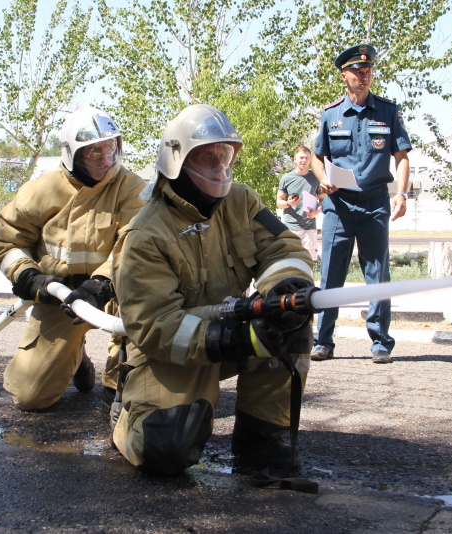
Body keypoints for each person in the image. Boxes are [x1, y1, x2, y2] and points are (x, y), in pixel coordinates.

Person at [110, 104, 315, 478]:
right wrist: (231, 340)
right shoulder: (145, 233)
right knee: (167, 450)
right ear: (177, 161)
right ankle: (127, 419)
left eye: (226, 157)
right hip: (170, 350)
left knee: (290, 323)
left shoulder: (242, 201)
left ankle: (263, 445)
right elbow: (154, 324)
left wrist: (287, 285)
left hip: (231, 331)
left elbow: (282, 247)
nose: (221, 170)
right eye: (208, 159)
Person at [0, 104, 146, 411]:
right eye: (94, 153)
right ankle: (75, 358)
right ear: (72, 154)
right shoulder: (42, 190)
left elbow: (134, 246)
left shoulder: (132, 189)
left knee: (122, 394)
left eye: (111, 149)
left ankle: (116, 379)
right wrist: (27, 276)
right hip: (60, 297)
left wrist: (101, 283)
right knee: (30, 397)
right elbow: (6, 239)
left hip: (114, 293)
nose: (105, 160)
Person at [309, 44, 412, 365]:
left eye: (367, 71)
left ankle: (381, 342)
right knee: (330, 276)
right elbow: (316, 155)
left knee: (377, 274)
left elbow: (402, 157)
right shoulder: (331, 114)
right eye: (357, 72)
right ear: (345, 77)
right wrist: (322, 177)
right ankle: (323, 341)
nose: (364, 76)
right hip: (338, 206)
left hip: (374, 205)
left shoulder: (388, 111)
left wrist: (402, 193)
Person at [276, 146, 325, 261]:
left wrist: (317, 211)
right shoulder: (286, 178)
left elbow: (323, 199)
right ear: (295, 159)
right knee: (290, 261)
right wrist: (288, 203)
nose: (304, 160)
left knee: (308, 262)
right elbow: (279, 202)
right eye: (301, 158)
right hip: (291, 227)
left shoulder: (316, 177)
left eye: (307, 158)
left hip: (309, 227)